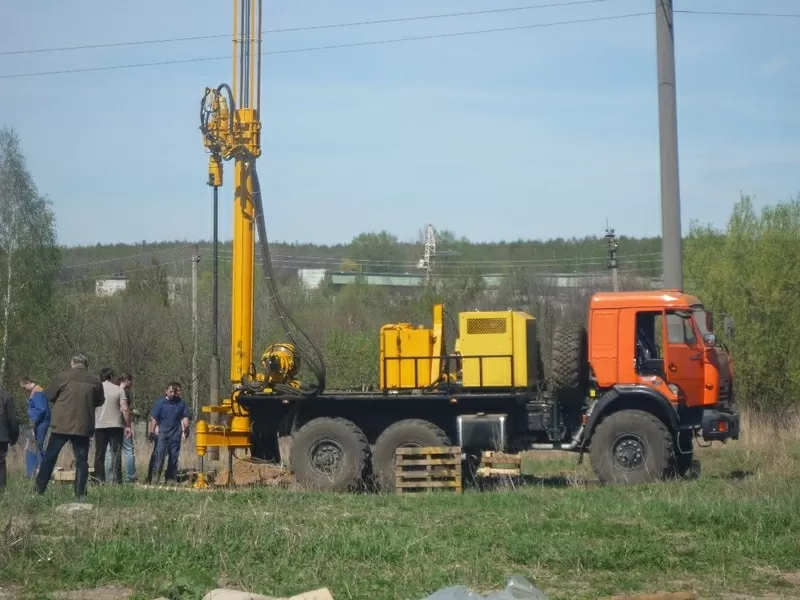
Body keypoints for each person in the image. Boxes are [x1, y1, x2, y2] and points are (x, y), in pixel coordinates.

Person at [35, 353, 105, 498]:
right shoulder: (95, 381)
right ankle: (80, 495)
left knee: (50, 457)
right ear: (86, 365)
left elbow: (48, 395)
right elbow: (99, 401)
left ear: (72, 363)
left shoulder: (62, 377)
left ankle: (38, 490)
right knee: (81, 460)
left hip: (61, 424)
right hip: (83, 425)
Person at [93, 367, 131, 484]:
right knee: (116, 454)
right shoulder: (118, 390)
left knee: (100, 454)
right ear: (111, 376)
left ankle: (98, 480)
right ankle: (117, 480)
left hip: (99, 425)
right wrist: (128, 425)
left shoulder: (95, 389)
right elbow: (124, 408)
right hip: (115, 425)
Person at [148, 382, 190, 484]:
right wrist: (152, 432)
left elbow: (184, 416)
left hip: (176, 433)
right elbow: (155, 419)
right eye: (170, 391)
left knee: (173, 457)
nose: (172, 393)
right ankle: (155, 478)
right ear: (166, 391)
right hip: (162, 434)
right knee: (159, 455)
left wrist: (186, 427)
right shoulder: (160, 403)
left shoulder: (180, 403)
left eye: (174, 391)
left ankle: (171, 478)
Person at [105, 372, 135, 482]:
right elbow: (124, 409)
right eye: (131, 381)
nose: (131, 383)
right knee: (128, 450)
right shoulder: (124, 392)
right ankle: (130, 477)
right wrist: (128, 425)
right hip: (122, 423)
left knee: (109, 451)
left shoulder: (111, 390)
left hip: (110, 423)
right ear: (127, 380)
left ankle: (109, 477)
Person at [20, 376, 51, 478]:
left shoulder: (37, 392)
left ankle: (36, 473)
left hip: (40, 423)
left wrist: (33, 421)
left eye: (24, 388)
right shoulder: (36, 391)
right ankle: (38, 472)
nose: (24, 390)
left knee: (36, 446)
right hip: (39, 422)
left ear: (28, 383)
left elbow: (40, 409)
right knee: (36, 446)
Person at [0, 384, 20, 491]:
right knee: (1, 463)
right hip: (2, 435)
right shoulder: (7, 396)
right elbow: (13, 419)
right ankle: (2, 490)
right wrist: (14, 436)